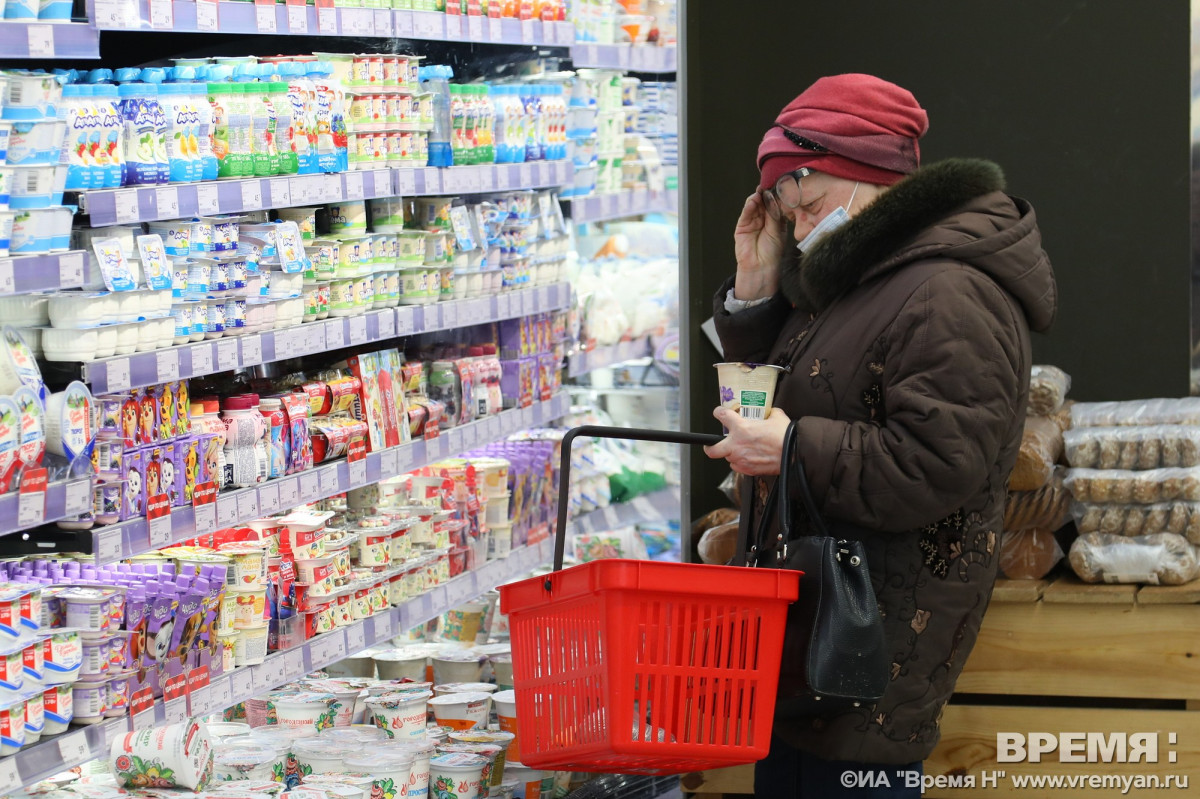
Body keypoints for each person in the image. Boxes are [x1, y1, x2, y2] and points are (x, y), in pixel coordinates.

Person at [703, 73, 1057, 797]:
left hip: (872, 650)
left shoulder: (951, 291)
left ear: (874, 177)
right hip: (816, 641)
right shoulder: (865, 274)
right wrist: (754, 289)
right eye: (786, 214)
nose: (800, 229)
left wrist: (791, 447)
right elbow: (805, 382)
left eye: (809, 205)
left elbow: (937, 462)